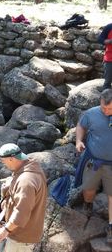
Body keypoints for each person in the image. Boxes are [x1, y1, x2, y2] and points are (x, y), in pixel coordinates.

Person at [0, 143, 48, 251]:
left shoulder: (25, 181)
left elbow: (21, 212)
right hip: (23, 233)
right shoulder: (30, 167)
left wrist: (5, 230)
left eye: (3, 161)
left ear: (11, 159)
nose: (3, 164)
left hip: (21, 238)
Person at [75, 89, 112, 243]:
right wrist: (79, 140)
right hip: (93, 161)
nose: (106, 111)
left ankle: (111, 227)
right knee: (88, 190)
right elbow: (81, 125)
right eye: (104, 108)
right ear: (100, 102)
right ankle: (88, 205)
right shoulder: (91, 113)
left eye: (110, 109)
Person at [98, 23, 112, 89]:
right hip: (110, 58)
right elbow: (100, 39)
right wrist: (109, 41)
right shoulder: (109, 27)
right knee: (107, 82)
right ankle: (106, 97)